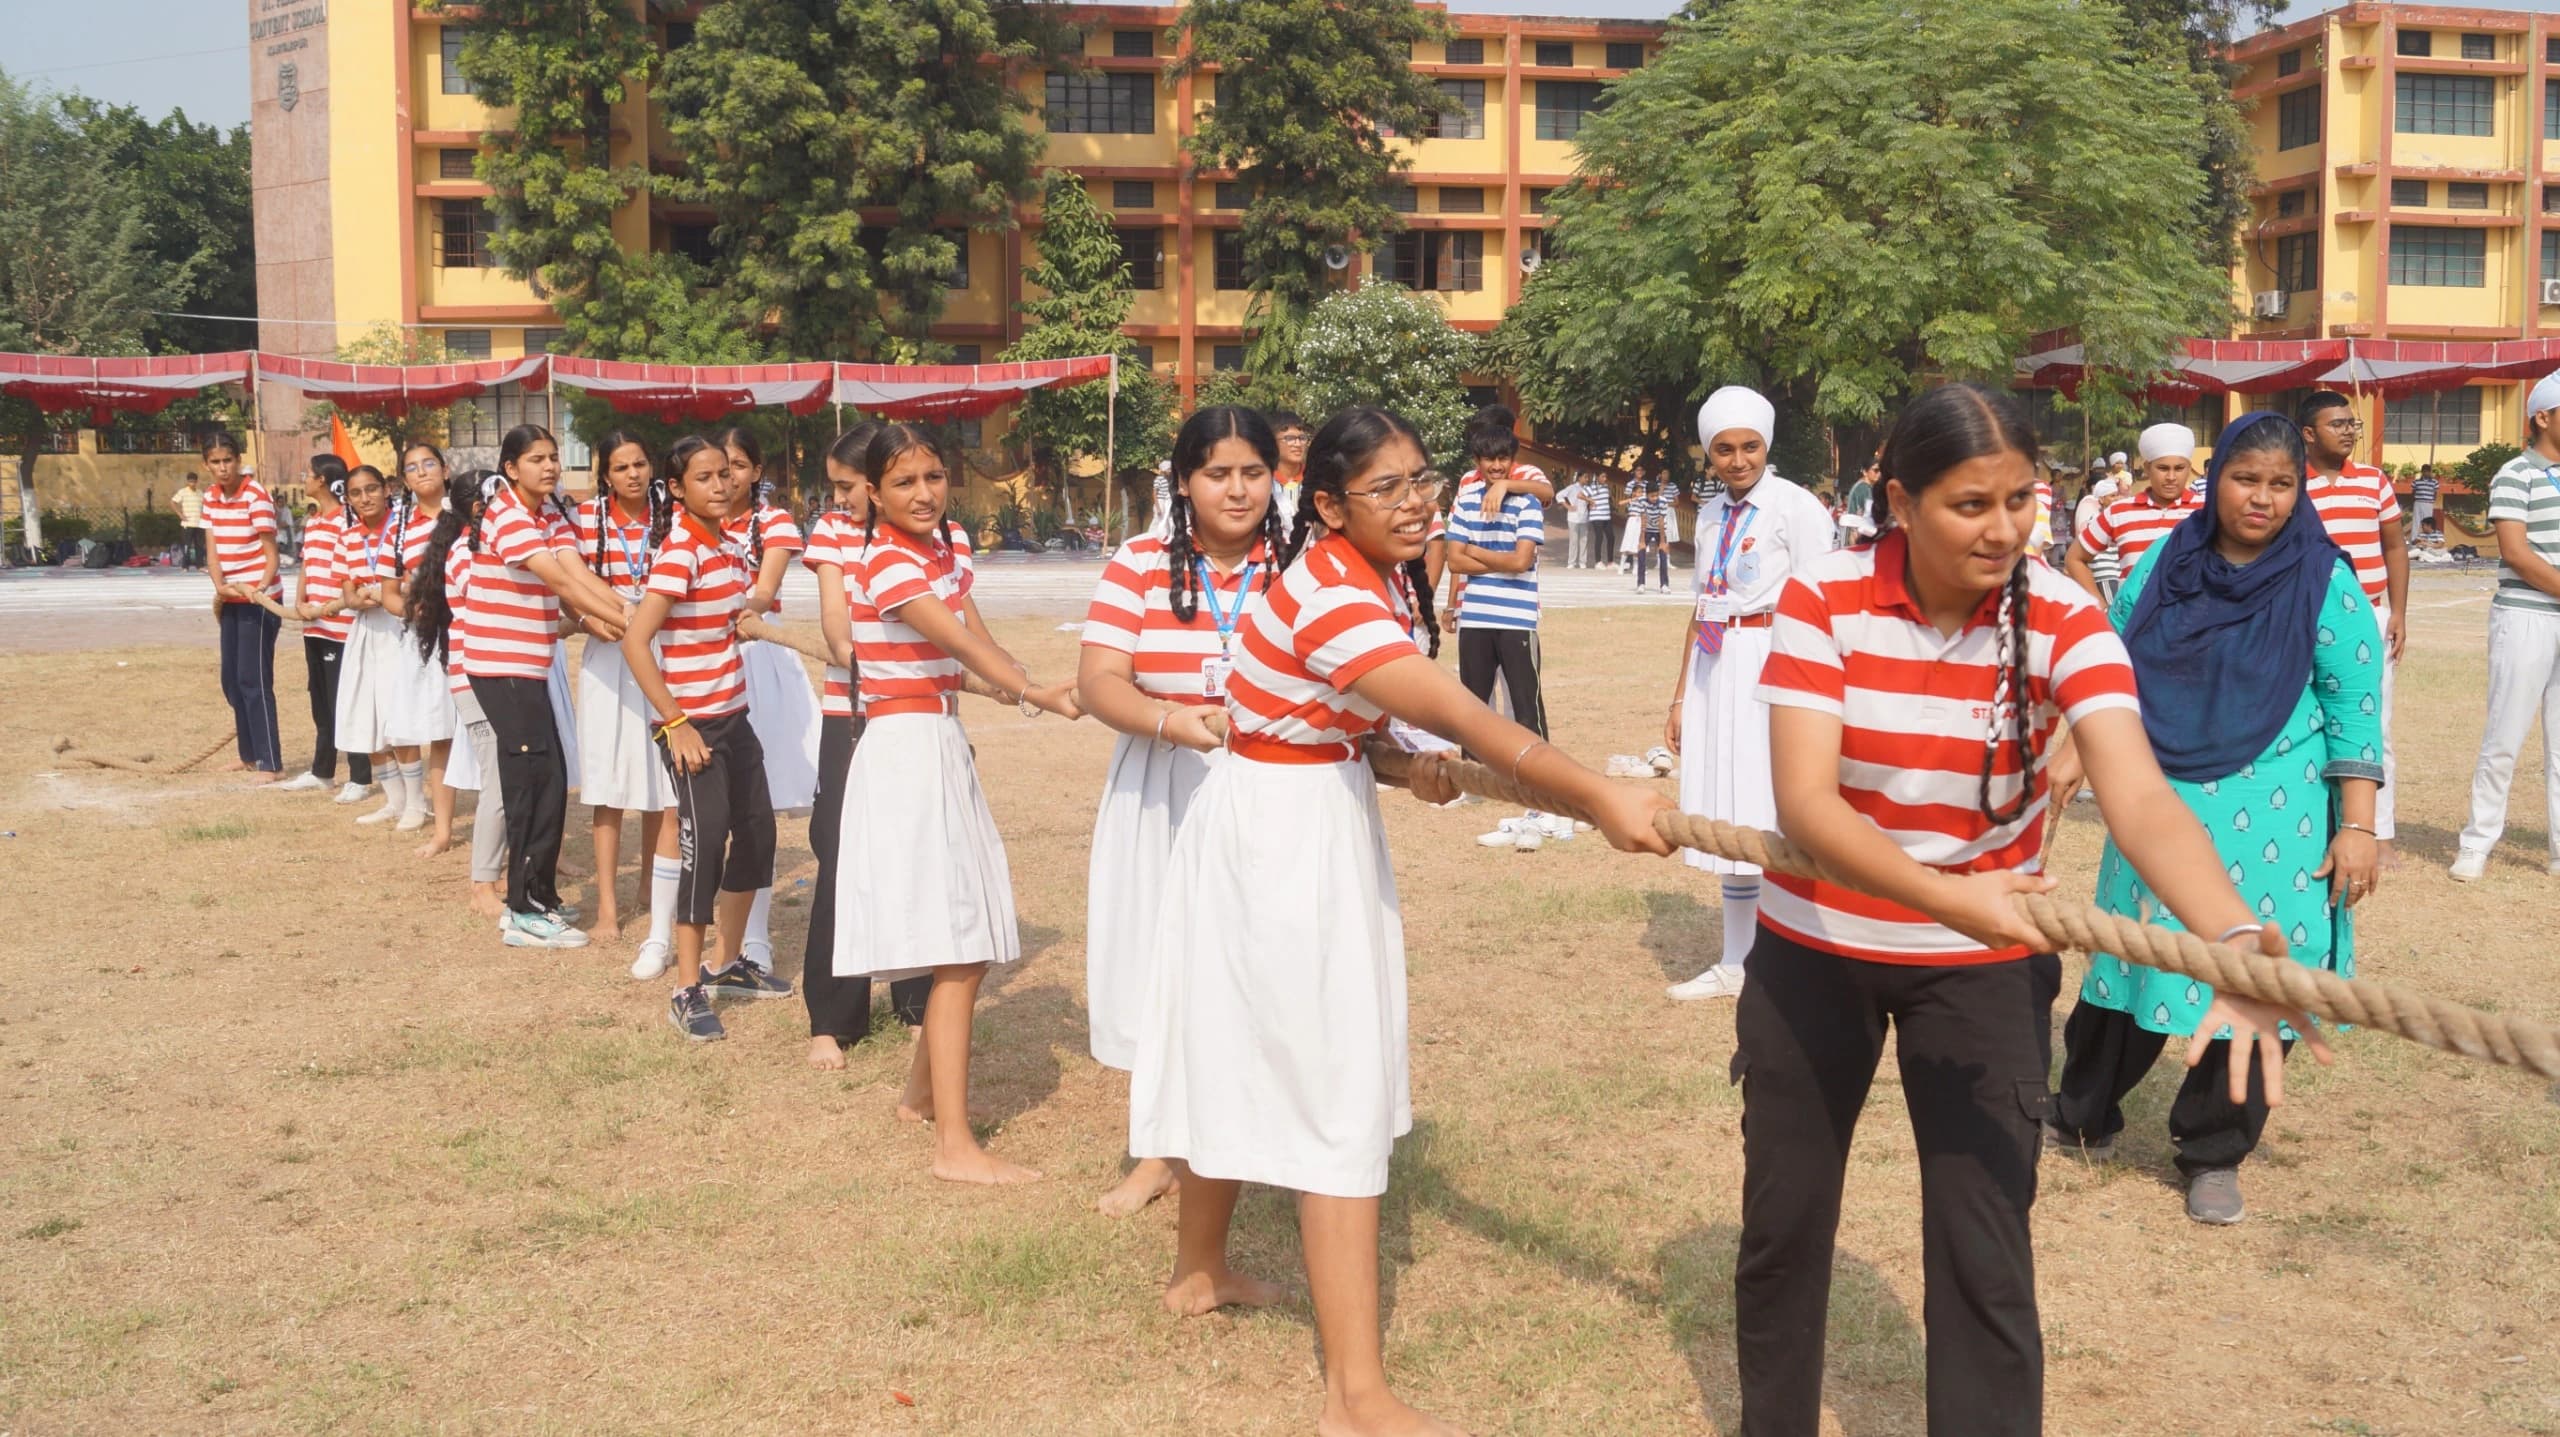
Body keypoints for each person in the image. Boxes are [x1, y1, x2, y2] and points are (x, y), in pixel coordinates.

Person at [1738, 382, 2322, 1435]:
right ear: (1899, 500)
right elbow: (1805, 805)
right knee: (1783, 1229)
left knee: (1984, 1251)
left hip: (1981, 970)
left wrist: (2230, 939)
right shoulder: (1820, 599)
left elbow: (2139, 797)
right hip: (1816, 947)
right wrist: (1951, 898)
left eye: (2021, 499)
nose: (2004, 528)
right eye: (1971, 504)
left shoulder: (2063, 615)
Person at [1128, 404, 1670, 1436]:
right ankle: (1355, 1397)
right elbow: (1470, 716)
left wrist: (1391, 762)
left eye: (1423, 479)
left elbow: (1330, 725)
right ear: (1329, 504)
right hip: (1278, 841)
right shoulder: (1334, 593)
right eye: (1387, 488)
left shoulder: (1364, 578)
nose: (1417, 502)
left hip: (1289, 812)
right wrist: (1598, 792)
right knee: (1333, 1080)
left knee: (1235, 1044)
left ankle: (1199, 1272)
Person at [2048, 412, 2380, 1226]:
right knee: (2128, 963)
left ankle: (2213, 1150)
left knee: (2253, 977)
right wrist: (2077, 749)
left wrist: (2359, 825)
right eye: (2245, 479)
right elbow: (2113, 659)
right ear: (2214, 479)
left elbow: (2355, 707)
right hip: (2159, 801)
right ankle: (2080, 1110)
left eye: (2280, 483)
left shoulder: (2322, 577)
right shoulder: (2169, 559)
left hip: (2279, 812)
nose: (2261, 498)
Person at [832, 422, 1080, 1183]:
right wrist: (1034, 689)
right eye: (904, 482)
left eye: (934, 476)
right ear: (873, 492)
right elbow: (966, 646)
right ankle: (955, 1147)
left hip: (936, 741)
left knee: (961, 936)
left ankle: (918, 1100)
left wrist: (1033, 685)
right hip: (906, 753)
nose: (924, 493)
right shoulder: (885, 561)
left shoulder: (939, 553)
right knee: (961, 949)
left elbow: (975, 650)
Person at [1079, 404, 1287, 1219]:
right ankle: (1159, 1152)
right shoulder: (1135, 563)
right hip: (1163, 777)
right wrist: (1172, 722)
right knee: (1158, 957)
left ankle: (1252, 1134)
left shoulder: (1304, 566)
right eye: (1217, 473)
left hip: (1270, 786)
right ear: (1183, 481)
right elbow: (1100, 680)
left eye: (1254, 472)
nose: (1237, 490)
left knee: (1255, 959)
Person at [1662, 387, 1837, 1002]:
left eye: (1749, 447)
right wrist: (1682, 696)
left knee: (1773, 802)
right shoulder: (1710, 513)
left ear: (1767, 446)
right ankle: (1737, 960)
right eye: (1724, 450)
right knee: (1728, 806)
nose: (1738, 460)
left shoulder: (1796, 507)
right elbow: (1700, 602)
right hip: (1716, 663)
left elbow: (1828, 600)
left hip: (1775, 659)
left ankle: (1791, 957)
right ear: (1709, 455)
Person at [621, 435, 788, 1043]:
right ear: (677, 489)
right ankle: (686, 989)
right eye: (704, 478)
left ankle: (731, 965)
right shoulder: (680, 552)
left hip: (734, 718)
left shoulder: (728, 545)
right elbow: (636, 641)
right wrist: (675, 722)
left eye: (725, 475)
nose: (720, 486)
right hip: (692, 728)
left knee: (758, 834)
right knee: (703, 847)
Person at [462, 425, 633, 949]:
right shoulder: (507, 514)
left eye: (554, 457)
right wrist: (635, 621)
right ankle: (522, 909)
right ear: (511, 469)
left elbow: (575, 575)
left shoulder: (549, 514)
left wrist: (623, 611)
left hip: (529, 666)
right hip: (501, 666)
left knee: (553, 780)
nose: (550, 466)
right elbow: (560, 582)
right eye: (536, 459)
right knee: (530, 784)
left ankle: (540, 894)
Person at [801, 422, 935, 1066]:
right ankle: (832, 1015)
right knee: (839, 849)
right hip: (850, 713)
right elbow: (834, 620)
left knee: (915, 853)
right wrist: (871, 657)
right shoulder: (833, 533)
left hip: (919, 718)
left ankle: (917, 1002)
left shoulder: (933, 538)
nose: (839, 499)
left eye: (847, 486)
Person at [714, 427, 823, 977]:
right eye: (717, 466)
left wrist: (738, 611)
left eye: (737, 464)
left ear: (756, 472)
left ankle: (754, 936)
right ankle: (688, 931)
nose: (727, 476)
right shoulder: (693, 525)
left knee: (757, 804)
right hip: (708, 662)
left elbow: (764, 587)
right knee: (710, 807)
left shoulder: (773, 522)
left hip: (760, 655)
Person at [573, 432, 680, 955]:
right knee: (609, 780)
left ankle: (650, 887)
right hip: (608, 657)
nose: (633, 474)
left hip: (662, 652)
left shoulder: (673, 513)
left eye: (640, 463)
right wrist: (587, 617)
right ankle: (609, 906)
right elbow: (568, 591)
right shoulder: (584, 518)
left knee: (661, 778)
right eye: (621, 467)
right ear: (606, 475)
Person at [2452, 371, 2560, 881]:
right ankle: (2477, 843)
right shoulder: (2515, 473)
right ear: (2543, 417)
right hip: (2526, 617)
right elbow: (2516, 553)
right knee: (2505, 736)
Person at [2296, 391, 2408, 860]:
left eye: (2351, 424)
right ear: (2308, 434)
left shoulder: (2374, 481)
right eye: (2336, 424)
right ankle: (2314, 825)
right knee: (2307, 720)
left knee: (2372, 724)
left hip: (2370, 615)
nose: (2347, 431)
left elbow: (2395, 547)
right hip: (2307, 616)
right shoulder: (2290, 484)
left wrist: (2398, 612)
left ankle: (2377, 832)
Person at [408, 469, 511, 921]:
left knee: (517, 777)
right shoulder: (469, 554)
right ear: (478, 507)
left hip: (503, 673)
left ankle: (511, 870)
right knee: (500, 780)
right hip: (478, 676)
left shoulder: (488, 545)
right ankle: (482, 882)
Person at [1444, 404, 1550, 739]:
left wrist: (1507, 487)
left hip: (1515, 608)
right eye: (1486, 454)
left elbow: (1522, 559)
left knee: (1521, 699)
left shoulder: (1527, 480)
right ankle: (1479, 775)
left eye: (1503, 455)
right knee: (1475, 700)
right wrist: (1452, 602)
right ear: (1477, 455)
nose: (1496, 463)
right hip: (1474, 604)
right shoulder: (1466, 487)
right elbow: (1454, 558)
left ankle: (1529, 774)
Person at [274, 458, 371, 800]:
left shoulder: (347, 522)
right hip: (313, 626)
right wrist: (300, 600)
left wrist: (327, 607)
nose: (305, 480)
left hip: (339, 626)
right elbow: (307, 566)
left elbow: (349, 572)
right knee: (321, 702)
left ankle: (360, 776)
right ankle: (322, 771)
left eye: (309, 475)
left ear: (325, 481)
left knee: (344, 702)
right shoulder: (314, 522)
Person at [327, 464, 414, 829]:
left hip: (400, 629)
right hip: (366, 630)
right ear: (348, 499)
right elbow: (346, 592)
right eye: (357, 493)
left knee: (402, 719)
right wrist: (360, 597)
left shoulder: (405, 530)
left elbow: (414, 578)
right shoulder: (347, 538)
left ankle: (417, 803)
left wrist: (386, 593)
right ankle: (394, 802)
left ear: (387, 489)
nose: (365, 498)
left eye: (372, 489)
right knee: (367, 716)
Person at [201, 432, 284, 783]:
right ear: (206, 465)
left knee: (254, 680)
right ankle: (248, 754)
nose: (223, 468)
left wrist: (259, 589)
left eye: (228, 460)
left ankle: (270, 762)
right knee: (232, 681)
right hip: (231, 598)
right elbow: (213, 548)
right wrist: (219, 586)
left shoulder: (256, 496)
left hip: (258, 601)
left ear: (238, 460)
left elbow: (271, 554)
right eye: (216, 462)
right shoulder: (209, 498)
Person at [2065, 423, 2196, 603]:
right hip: (2134, 626)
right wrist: (2102, 610)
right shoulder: (2120, 511)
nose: (2171, 477)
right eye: (2163, 468)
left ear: (2189, 468)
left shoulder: (2207, 511)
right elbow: (2074, 558)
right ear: (2148, 468)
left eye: (2179, 468)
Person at [1268, 408, 1311, 529]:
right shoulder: (1264, 483)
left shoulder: (1315, 480)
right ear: (1273, 442)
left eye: (1302, 438)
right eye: (1289, 439)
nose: (1297, 444)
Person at [1837, 456, 1879, 548]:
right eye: (1876, 470)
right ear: (1865, 472)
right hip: (1857, 536)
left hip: (1858, 535)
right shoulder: (1863, 488)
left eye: (1880, 471)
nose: (1879, 473)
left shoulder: (1865, 487)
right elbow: (1868, 515)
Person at [171, 473, 208, 569]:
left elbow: (205, 506)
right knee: (186, 545)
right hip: (187, 523)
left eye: (194, 482)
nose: (192, 484)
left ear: (196, 482)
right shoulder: (183, 492)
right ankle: (185, 565)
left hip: (199, 523)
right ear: (187, 482)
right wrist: (180, 514)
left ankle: (200, 565)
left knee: (199, 545)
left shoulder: (200, 493)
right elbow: (173, 502)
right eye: (190, 482)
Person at [1581, 468, 1614, 568]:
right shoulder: (1592, 487)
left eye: (1606, 477)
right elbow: (1580, 495)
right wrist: (1590, 500)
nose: (1605, 478)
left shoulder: (1606, 487)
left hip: (1606, 516)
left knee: (1611, 537)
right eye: (1603, 476)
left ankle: (1610, 562)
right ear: (1597, 477)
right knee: (1599, 537)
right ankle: (1598, 562)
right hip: (1596, 516)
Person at [1562, 469, 1592, 570]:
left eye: (1588, 477)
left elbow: (1590, 502)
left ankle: (1583, 562)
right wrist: (1568, 506)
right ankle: (1571, 562)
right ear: (1579, 478)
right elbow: (1559, 496)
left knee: (1584, 540)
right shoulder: (1572, 488)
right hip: (1573, 517)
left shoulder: (1588, 489)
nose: (1587, 479)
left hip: (1584, 517)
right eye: (1585, 477)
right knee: (1573, 541)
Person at [2411, 463, 2440, 539]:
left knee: (2428, 523)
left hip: (2428, 503)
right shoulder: (2416, 482)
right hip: (2418, 503)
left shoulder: (2435, 482)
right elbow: (2413, 493)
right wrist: (2416, 501)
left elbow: (2435, 493)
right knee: (2416, 522)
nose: (2426, 473)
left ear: (2430, 472)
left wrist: (2431, 501)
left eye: (2428, 471)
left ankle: (2427, 540)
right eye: (2424, 471)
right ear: (2422, 472)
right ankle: (2414, 541)